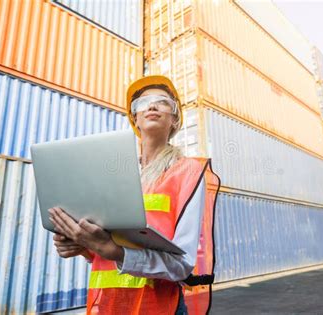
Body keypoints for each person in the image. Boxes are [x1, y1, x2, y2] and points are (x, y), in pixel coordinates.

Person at [48, 75, 220, 315]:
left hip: (159, 308)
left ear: (174, 119)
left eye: (162, 101)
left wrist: (115, 252)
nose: (151, 105)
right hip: (109, 306)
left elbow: (182, 266)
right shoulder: (116, 173)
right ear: (135, 119)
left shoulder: (187, 171)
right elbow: (108, 249)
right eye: (143, 103)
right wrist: (85, 245)